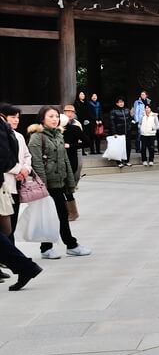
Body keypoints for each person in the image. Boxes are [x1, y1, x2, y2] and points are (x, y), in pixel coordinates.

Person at [27, 106, 91, 259]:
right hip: (48, 183)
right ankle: (69, 245)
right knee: (59, 214)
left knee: (57, 214)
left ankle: (48, 247)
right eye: (51, 116)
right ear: (42, 119)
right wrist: (43, 186)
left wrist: (70, 181)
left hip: (59, 181)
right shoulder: (37, 136)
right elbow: (37, 163)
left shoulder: (58, 135)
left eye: (56, 116)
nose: (55, 119)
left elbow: (65, 160)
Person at [1, 104, 30, 243]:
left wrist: (26, 170)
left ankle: (11, 252)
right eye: (13, 117)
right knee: (5, 224)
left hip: (18, 183)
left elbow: (27, 156)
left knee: (13, 221)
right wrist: (19, 169)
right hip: (5, 184)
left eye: (18, 117)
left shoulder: (19, 136)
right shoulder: (3, 136)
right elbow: (4, 160)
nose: (16, 120)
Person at [60, 105, 85, 184]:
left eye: (72, 112)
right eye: (67, 112)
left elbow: (82, 137)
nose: (70, 114)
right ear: (64, 113)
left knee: (79, 166)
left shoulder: (77, 124)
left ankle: (74, 183)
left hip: (76, 146)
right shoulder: (60, 122)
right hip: (63, 148)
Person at [108, 96, 132, 168]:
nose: (121, 103)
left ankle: (127, 161)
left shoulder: (127, 110)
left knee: (128, 147)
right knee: (119, 148)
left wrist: (129, 128)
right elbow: (112, 123)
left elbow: (130, 120)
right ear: (117, 103)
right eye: (120, 102)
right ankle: (119, 162)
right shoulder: (113, 111)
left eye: (122, 102)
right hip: (118, 133)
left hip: (127, 132)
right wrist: (114, 132)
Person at [74, 91, 94, 156]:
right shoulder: (76, 103)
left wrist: (89, 120)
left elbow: (89, 112)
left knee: (89, 135)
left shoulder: (87, 103)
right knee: (81, 136)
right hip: (81, 122)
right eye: (81, 94)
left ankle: (92, 150)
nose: (82, 95)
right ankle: (82, 151)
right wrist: (83, 120)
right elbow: (78, 113)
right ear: (78, 95)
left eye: (83, 94)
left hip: (88, 122)